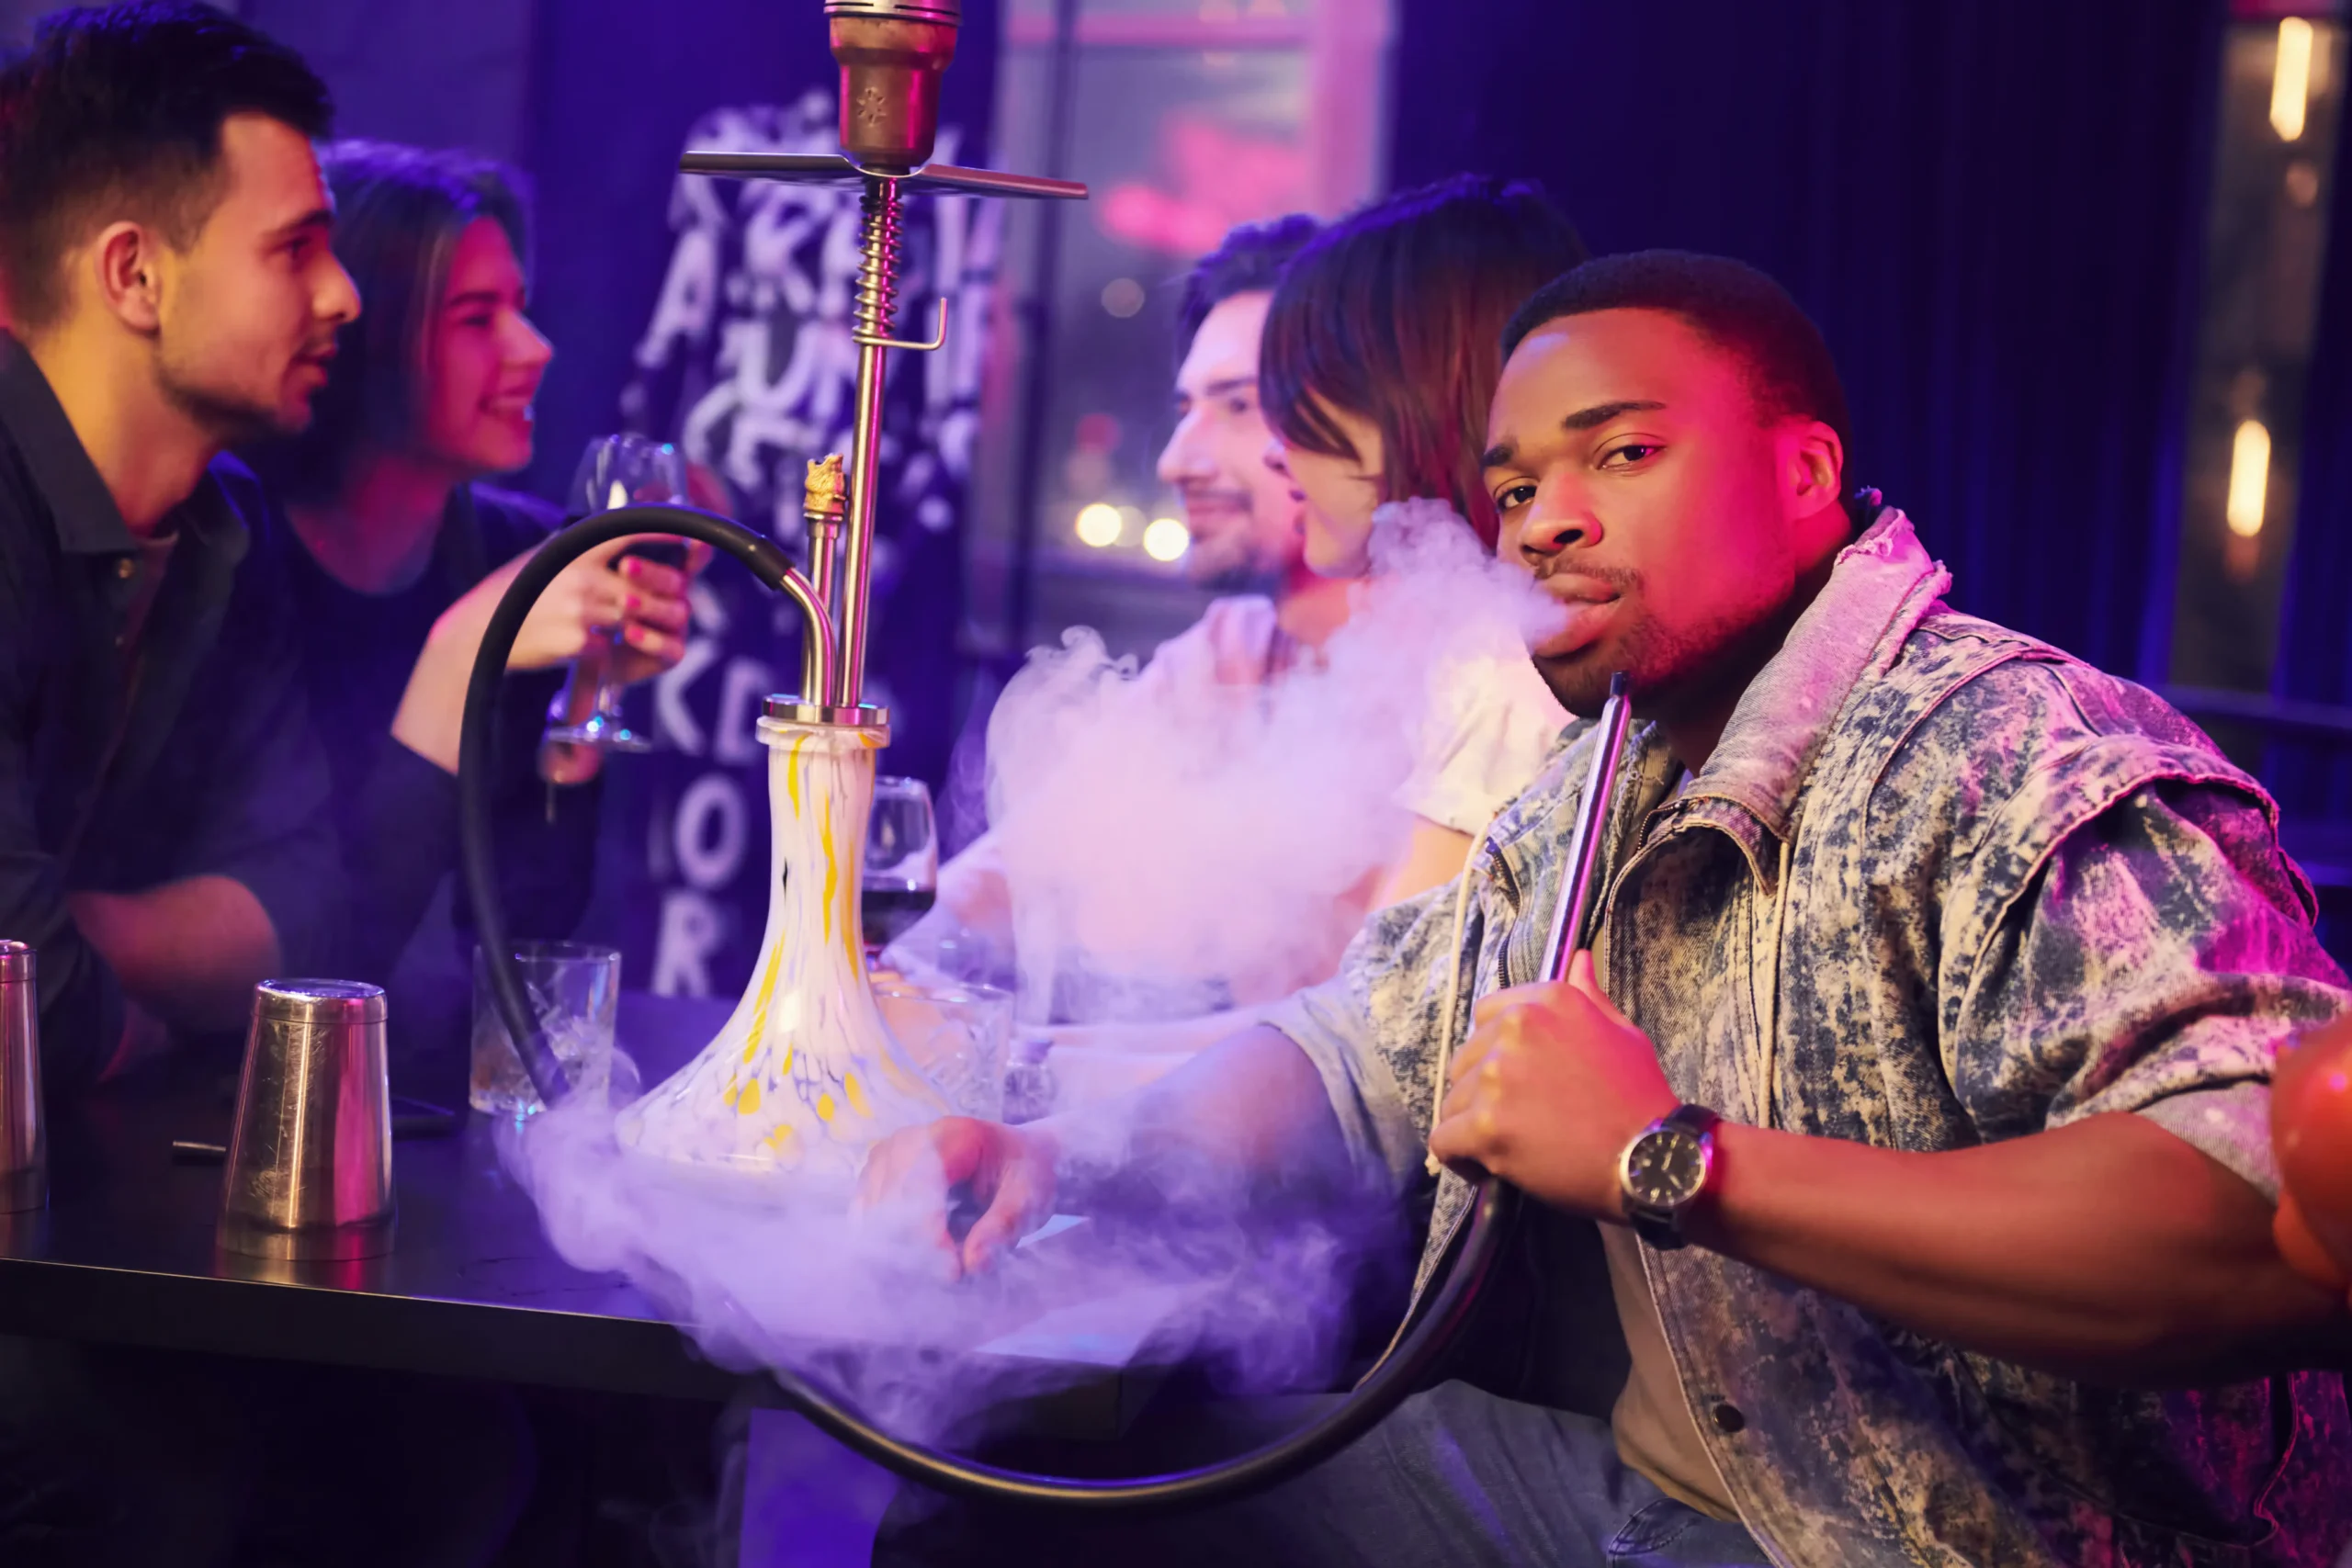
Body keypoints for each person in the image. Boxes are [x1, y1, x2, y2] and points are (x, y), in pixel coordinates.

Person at [864, 253, 2352, 1565]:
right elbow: (1360, 1045)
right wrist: (1061, 1155)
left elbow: (2256, 1221)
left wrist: (1667, 1159)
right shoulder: (1600, 774)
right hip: (1616, 1500)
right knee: (1011, 1489)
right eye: (1512, 488)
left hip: (1922, 1540)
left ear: (1804, 472)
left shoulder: (2016, 754)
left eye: (1621, 455)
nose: (1544, 524)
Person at [901, 182, 1586, 1052]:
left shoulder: (1507, 674)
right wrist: (881, 975)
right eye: (1189, 408)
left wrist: (1020, 1077)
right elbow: (1019, 878)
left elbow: (1358, 1069)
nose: (1182, 457)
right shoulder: (1234, 651)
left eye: (1250, 402)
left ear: (1412, 397)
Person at [244, 141, 696, 1088]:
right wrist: (460, 656)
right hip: (247, 1101)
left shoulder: (513, 549)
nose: (534, 349)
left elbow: (526, 935)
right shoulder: (234, 549)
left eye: (519, 309)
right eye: (476, 317)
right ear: (364, 333)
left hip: (433, 1096)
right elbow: (323, 957)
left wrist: (584, 705)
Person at [0, 0, 355, 1089]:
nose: (342, 294)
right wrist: (111, 1016)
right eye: (293, 249)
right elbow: (33, 1008)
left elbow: (300, 910)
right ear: (134, 276)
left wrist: (70, 939)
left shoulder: (222, 517)